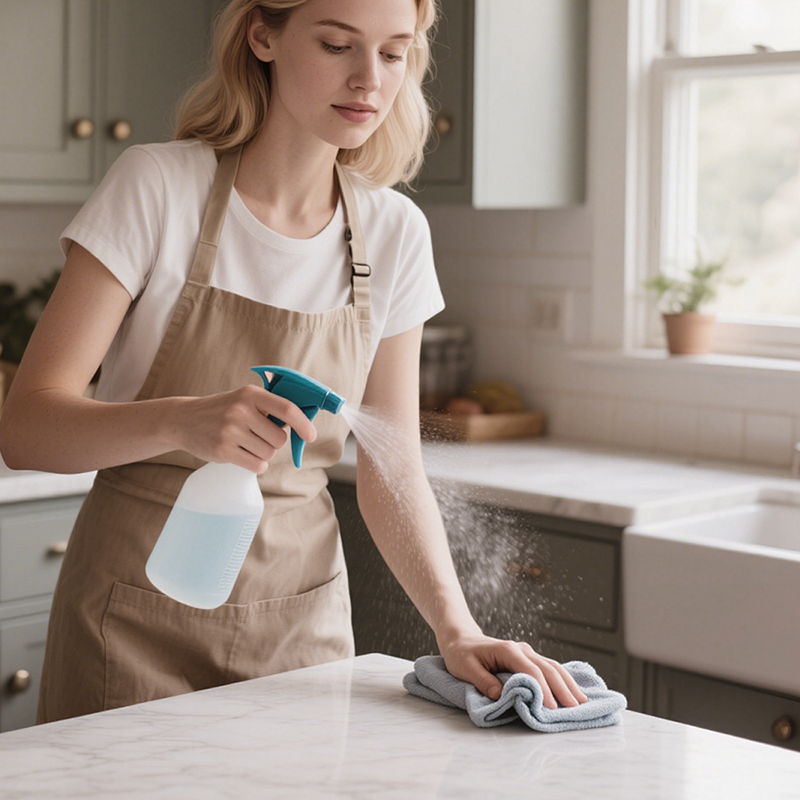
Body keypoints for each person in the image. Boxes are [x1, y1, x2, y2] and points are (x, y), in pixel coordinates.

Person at [0, 0, 587, 723]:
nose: (368, 79)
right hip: (128, 622)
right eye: (338, 44)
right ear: (263, 36)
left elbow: (394, 465)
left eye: (394, 52)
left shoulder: (394, 231)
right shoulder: (156, 187)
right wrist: (184, 421)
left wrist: (456, 627)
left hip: (298, 631)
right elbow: (26, 428)